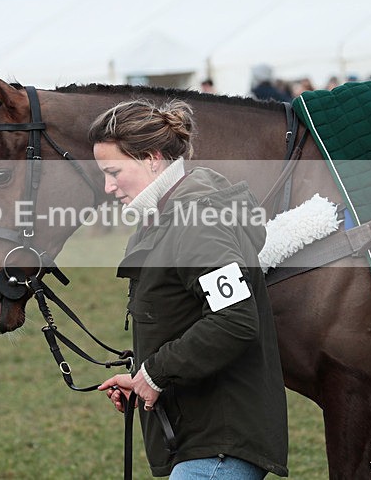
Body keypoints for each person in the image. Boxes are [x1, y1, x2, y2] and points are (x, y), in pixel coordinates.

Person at [91, 99, 288, 479]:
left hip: (220, 446)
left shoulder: (196, 218)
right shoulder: (165, 215)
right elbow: (184, 319)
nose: (107, 186)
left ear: (151, 157)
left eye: (114, 171)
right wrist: (142, 377)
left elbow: (234, 320)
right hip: (201, 436)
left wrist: (155, 374)